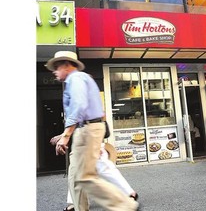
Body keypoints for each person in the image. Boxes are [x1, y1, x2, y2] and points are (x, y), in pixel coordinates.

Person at [45, 51, 139, 211]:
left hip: (87, 130)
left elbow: (79, 106)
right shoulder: (81, 79)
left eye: (56, 67)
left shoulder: (76, 78)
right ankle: (80, 207)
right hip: (86, 129)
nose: (54, 71)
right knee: (76, 176)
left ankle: (126, 205)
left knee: (85, 177)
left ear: (67, 66)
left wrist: (66, 135)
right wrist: (64, 135)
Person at [50, 137, 139, 211]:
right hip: (83, 142)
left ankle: (128, 198)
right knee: (76, 175)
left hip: (89, 140)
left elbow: (87, 120)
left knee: (99, 171)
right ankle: (74, 202)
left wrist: (64, 136)